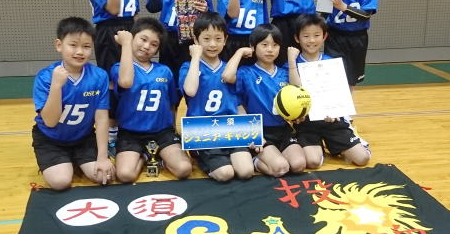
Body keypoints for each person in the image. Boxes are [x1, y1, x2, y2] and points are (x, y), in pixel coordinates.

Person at [32, 17, 114, 191]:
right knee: (61, 182)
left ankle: (76, 160)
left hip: (83, 139)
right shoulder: (45, 77)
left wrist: (102, 157)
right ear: (59, 45)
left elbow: (101, 119)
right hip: (51, 140)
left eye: (86, 46)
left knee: (104, 177)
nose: (80, 52)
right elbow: (50, 122)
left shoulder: (99, 76)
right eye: (73, 45)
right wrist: (56, 86)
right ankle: (64, 162)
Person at [110, 17, 192, 183]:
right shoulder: (118, 68)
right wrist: (125, 44)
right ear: (132, 37)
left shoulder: (164, 71)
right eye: (143, 39)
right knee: (125, 175)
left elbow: (171, 104)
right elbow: (126, 81)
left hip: (162, 132)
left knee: (184, 169)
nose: (147, 46)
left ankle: (160, 155)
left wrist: (173, 131)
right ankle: (146, 155)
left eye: (154, 44)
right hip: (130, 133)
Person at [287, 14, 371, 168]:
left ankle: (341, 143)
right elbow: (296, 91)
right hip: (307, 123)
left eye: (316, 35)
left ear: (324, 36)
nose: (311, 40)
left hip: (332, 121)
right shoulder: (291, 65)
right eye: (306, 36)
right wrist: (292, 61)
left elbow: (339, 95)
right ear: (297, 38)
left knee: (362, 159)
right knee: (313, 162)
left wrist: (336, 112)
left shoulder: (332, 63)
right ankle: (321, 148)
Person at [84, 0, 140, 154]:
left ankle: (131, 128)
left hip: (131, 30)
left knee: (133, 79)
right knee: (112, 82)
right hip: (108, 32)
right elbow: (114, 8)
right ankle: (112, 133)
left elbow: (133, 10)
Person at [179, 12, 255, 182]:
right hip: (203, 132)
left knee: (246, 171)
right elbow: (190, 90)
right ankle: (202, 157)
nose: (212, 44)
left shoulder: (229, 69)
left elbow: (238, 104)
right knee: (225, 174)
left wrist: (250, 132)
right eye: (206, 39)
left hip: (229, 129)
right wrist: (195, 57)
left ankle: (226, 158)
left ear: (225, 40)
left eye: (218, 39)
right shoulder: (188, 67)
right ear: (196, 40)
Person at [223, 24, 306, 177]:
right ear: (253, 46)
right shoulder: (246, 73)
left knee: (299, 165)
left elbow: (297, 91)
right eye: (264, 45)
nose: (270, 49)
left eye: (275, 45)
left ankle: (273, 157)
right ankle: (256, 160)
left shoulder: (284, 72)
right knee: (281, 168)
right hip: (260, 132)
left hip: (283, 129)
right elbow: (227, 76)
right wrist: (240, 52)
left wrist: (292, 61)